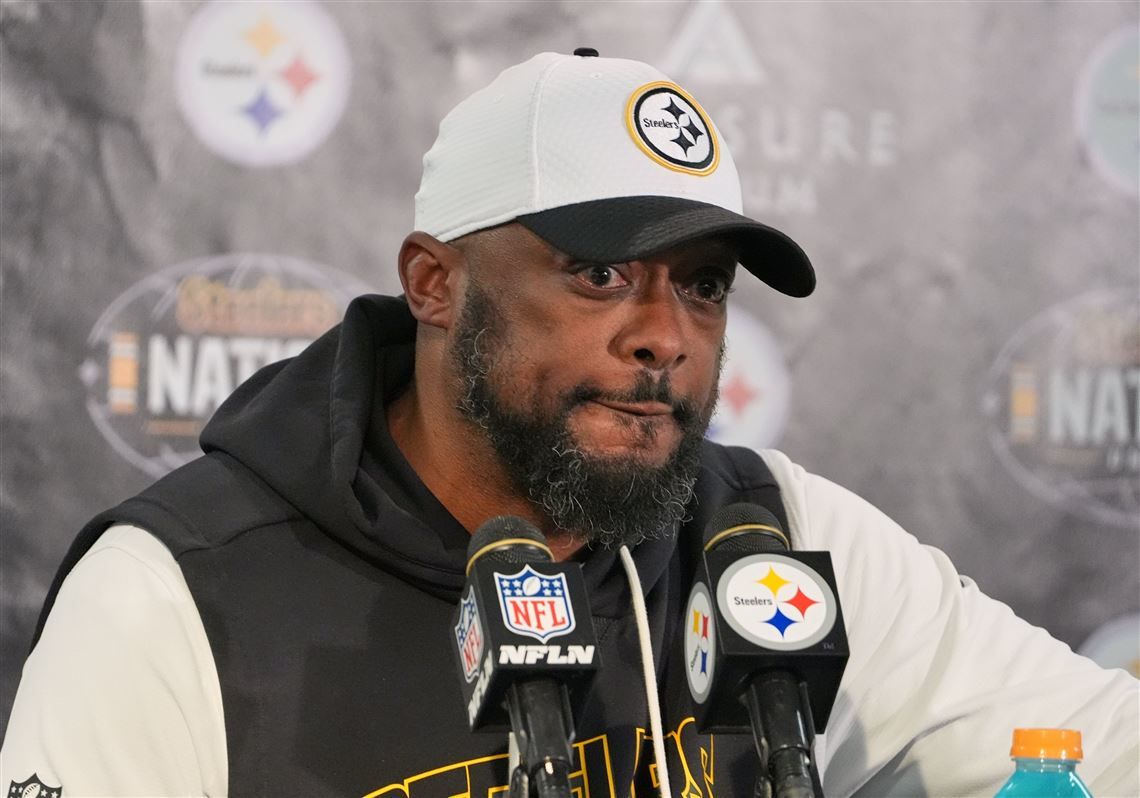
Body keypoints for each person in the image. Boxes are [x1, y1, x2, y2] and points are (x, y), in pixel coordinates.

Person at [2, 50, 1136, 798]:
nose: (665, 336)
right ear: (434, 282)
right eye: (600, 274)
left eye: (702, 286)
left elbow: (1105, 744)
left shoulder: (771, 540)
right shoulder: (175, 596)